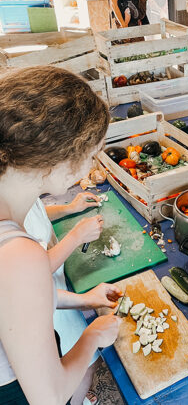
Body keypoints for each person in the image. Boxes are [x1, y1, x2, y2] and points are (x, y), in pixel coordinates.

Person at [0, 66, 122, 405]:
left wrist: (83, 300)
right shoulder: (19, 255)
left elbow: (13, 303)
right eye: (91, 155)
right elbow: (48, 397)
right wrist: (92, 336)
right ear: (61, 161)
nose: (91, 166)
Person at [24, 193, 106, 405]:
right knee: (85, 364)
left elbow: (35, 215)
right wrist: (77, 236)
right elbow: (31, 273)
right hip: (43, 303)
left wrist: (69, 208)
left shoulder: (14, 193)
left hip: (54, 292)